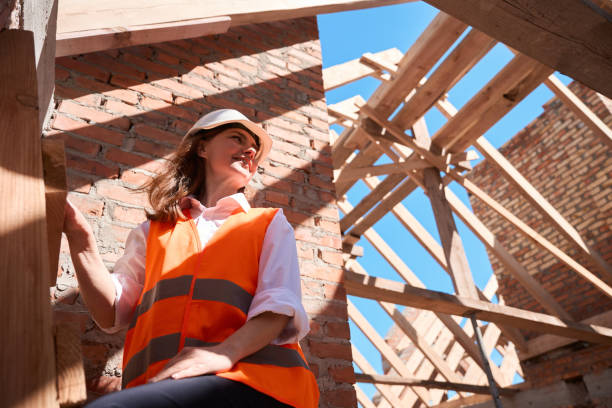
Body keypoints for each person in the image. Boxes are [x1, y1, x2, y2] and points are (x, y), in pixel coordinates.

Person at [63, 109, 320, 408]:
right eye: (237, 138)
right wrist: (81, 241)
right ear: (202, 147)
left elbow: (279, 305)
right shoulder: (152, 232)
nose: (250, 150)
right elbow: (111, 312)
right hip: (167, 385)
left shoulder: (269, 223)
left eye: (255, 148)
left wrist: (221, 354)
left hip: (258, 385)